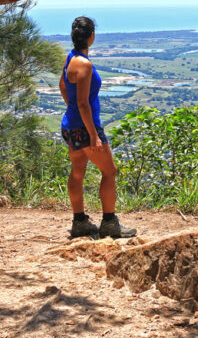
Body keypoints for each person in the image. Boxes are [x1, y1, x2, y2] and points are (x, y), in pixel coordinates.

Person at [59, 16, 136, 238]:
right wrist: (93, 135)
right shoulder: (85, 64)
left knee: (77, 171)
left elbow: (63, 87)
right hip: (86, 128)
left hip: (70, 126)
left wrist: (71, 110)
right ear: (91, 37)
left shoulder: (70, 59)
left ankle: (79, 221)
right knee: (109, 171)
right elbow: (83, 103)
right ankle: (110, 223)